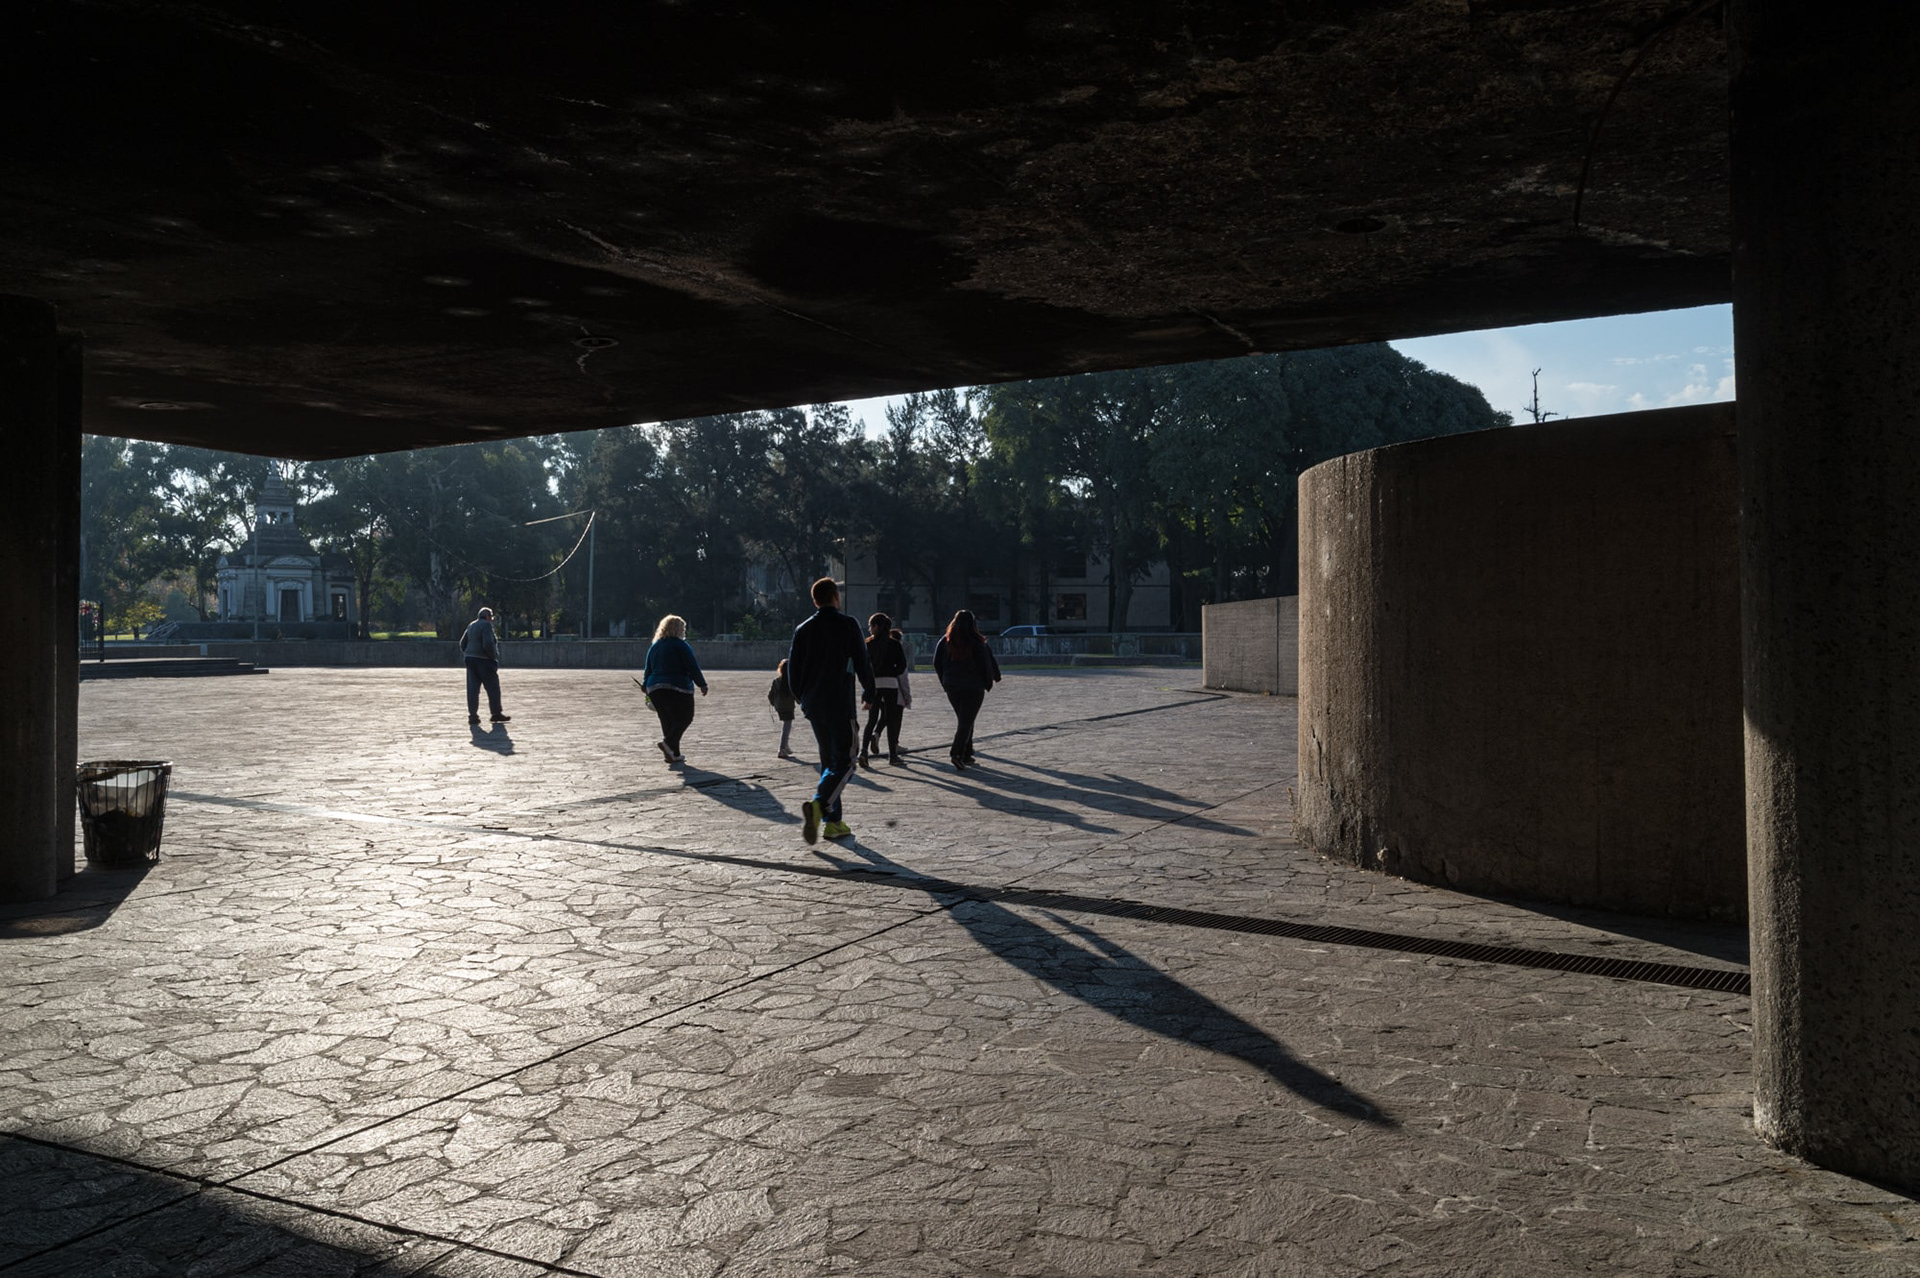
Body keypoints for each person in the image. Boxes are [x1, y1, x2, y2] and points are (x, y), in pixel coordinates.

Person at [787, 577, 874, 843]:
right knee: (847, 762)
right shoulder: (847, 625)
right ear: (836, 596)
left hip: (814, 704)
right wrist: (869, 692)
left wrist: (803, 698)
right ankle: (819, 805)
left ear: (815, 600)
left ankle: (834, 823)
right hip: (839, 703)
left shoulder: (803, 629)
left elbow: (793, 670)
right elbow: (862, 660)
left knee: (829, 763)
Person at [932, 608, 1001, 769]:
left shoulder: (946, 641)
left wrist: (945, 680)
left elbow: (936, 662)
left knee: (965, 719)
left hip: (952, 686)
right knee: (966, 721)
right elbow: (985, 662)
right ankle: (956, 753)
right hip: (973, 686)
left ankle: (967, 753)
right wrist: (989, 680)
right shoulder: (976, 641)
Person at [641, 614, 708, 763]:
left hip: (655, 687)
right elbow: (691, 666)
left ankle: (673, 754)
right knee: (685, 718)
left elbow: (648, 667)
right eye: (683, 628)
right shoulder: (680, 645)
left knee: (667, 720)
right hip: (677, 686)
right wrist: (702, 684)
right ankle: (668, 744)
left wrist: (645, 685)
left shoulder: (655, 645)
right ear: (678, 629)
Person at [859, 612, 908, 766]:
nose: (869, 629)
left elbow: (863, 667)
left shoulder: (868, 644)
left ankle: (864, 752)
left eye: (870, 626)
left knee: (872, 719)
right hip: (891, 684)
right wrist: (891, 671)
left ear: (876, 627)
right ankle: (893, 755)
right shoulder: (894, 644)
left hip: (874, 685)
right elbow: (902, 666)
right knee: (891, 720)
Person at [459, 606, 510, 726]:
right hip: (484, 661)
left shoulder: (471, 625)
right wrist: (493, 657)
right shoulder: (486, 625)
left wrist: (469, 653)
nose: (491, 620)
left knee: (472, 690)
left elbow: (462, 643)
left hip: (470, 660)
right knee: (493, 688)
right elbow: (487, 643)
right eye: (490, 617)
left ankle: (473, 716)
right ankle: (496, 713)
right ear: (487, 616)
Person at [768, 657, 798, 758]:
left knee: (786, 725)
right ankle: (782, 749)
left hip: (779, 706)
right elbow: (795, 695)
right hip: (788, 707)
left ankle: (786, 746)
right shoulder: (791, 681)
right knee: (787, 726)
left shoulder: (776, 681)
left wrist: (774, 703)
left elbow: (770, 695)